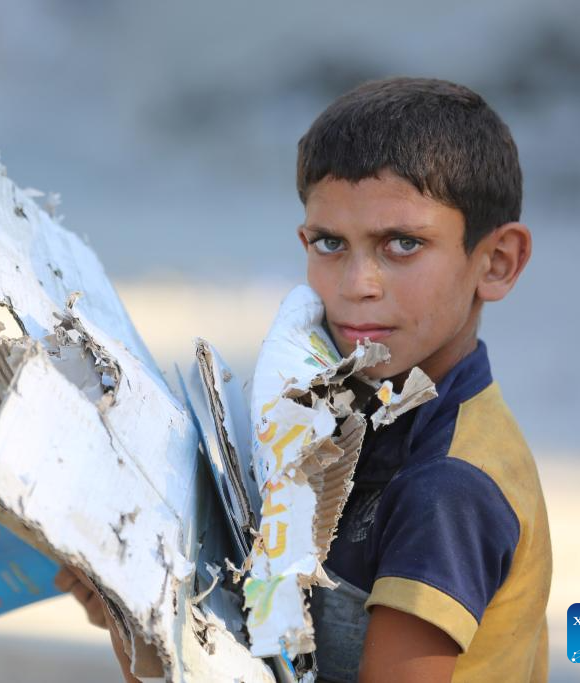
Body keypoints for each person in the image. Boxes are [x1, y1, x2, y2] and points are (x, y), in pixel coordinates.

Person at [60, 76, 552, 683]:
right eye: (330, 243)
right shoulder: (344, 413)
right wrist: (137, 615)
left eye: (403, 243)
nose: (356, 284)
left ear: (496, 263)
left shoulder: (447, 488)